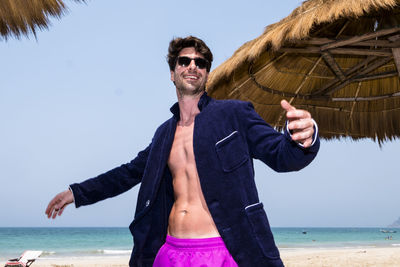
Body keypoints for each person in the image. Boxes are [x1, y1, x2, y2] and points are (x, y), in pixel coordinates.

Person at [46, 36, 320, 267]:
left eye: (200, 63)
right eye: (184, 61)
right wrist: (76, 193)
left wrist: (303, 138)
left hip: (224, 250)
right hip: (171, 251)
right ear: (172, 72)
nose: (193, 66)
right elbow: (127, 173)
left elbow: (281, 155)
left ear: (207, 74)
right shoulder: (164, 134)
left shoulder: (234, 114)